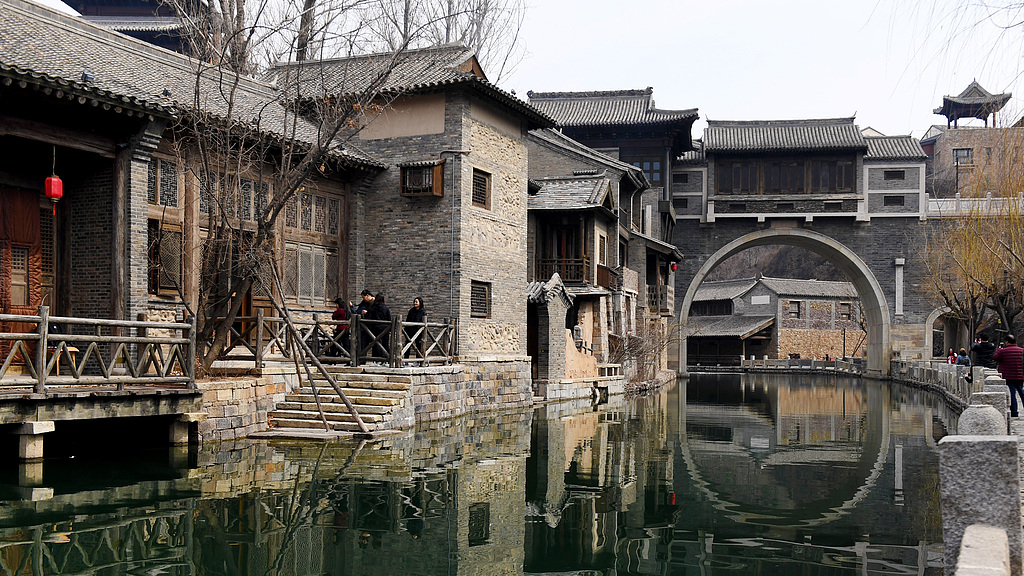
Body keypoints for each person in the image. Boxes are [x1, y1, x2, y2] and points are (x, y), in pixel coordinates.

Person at [994, 335, 1024, 417]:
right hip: (1020, 375)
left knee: (1012, 394)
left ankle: (1014, 412)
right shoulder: (1021, 350)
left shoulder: (1003, 351)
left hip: (1008, 376)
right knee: (1021, 392)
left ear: (1007, 342)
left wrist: (998, 350)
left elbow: (995, 357)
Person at [366, 292, 392, 360]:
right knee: (385, 344)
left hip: (375, 328)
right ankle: (387, 359)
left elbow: (368, 318)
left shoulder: (372, 308)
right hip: (385, 329)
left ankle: (376, 360)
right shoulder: (386, 308)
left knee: (375, 344)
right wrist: (390, 329)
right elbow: (389, 319)